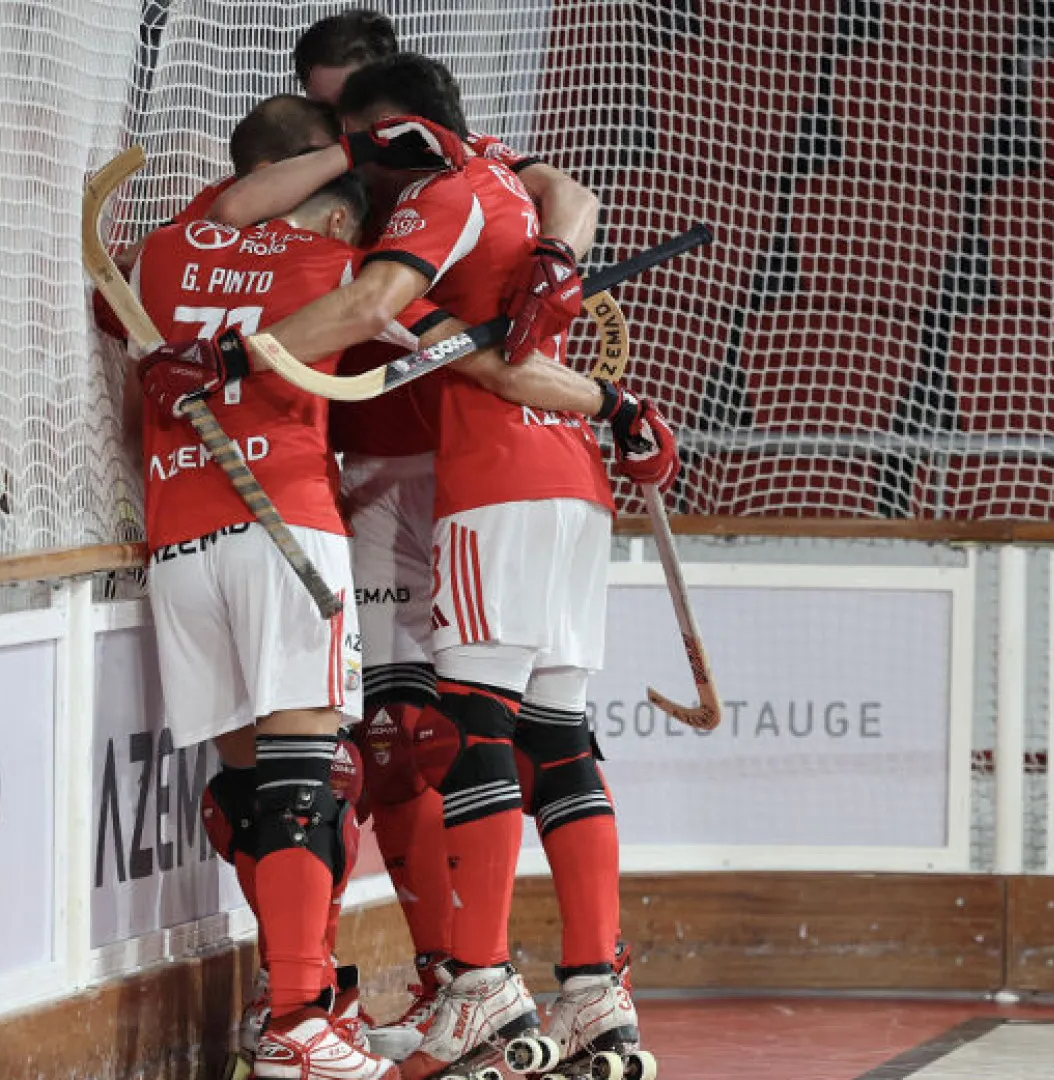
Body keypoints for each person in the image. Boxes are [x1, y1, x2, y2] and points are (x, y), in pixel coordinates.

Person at [244, 55, 678, 1080]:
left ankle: (480, 981)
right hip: (568, 481)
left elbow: (447, 341)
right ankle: (591, 988)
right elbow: (554, 226)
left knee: (470, 725)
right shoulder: (499, 191)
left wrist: (237, 361)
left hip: (494, 475)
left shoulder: (438, 195)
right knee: (556, 735)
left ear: (391, 128)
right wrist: (611, 403)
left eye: (355, 136)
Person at [126, 97, 456, 1080]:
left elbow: (204, 243)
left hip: (178, 541)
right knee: (313, 782)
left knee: (246, 794)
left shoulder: (158, 254)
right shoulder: (329, 268)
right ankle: (299, 1023)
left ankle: (297, 1004)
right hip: (287, 534)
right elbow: (437, 340)